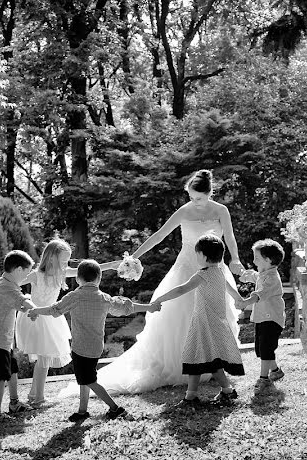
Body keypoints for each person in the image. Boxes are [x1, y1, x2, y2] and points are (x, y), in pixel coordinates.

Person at [69, 169, 246, 395]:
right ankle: (183, 365)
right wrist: (135, 256)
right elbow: (160, 235)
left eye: (199, 198)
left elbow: (229, 237)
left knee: (214, 316)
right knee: (180, 315)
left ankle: (214, 364)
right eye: (191, 198)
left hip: (213, 266)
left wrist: (237, 260)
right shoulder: (184, 211)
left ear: (210, 193)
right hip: (185, 268)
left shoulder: (221, 210)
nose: (195, 202)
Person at [0, 239, 118, 407]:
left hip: (50, 317)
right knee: (44, 358)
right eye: (64, 260)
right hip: (35, 316)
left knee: (45, 358)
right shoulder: (36, 274)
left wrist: (112, 265)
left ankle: (34, 395)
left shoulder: (62, 273)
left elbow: (89, 269)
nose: (66, 264)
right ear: (52, 257)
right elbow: (10, 283)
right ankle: (38, 398)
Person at [28, 259, 160, 421]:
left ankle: (115, 408)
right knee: (85, 379)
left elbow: (54, 309)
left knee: (88, 380)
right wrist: (149, 307)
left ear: (78, 279)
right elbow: (127, 307)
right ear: (99, 279)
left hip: (80, 347)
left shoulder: (74, 296)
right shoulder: (104, 298)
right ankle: (82, 411)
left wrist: (36, 310)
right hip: (96, 346)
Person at [153, 234, 252, 407]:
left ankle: (210, 394)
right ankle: (202, 394)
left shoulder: (202, 275)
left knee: (203, 359)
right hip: (213, 322)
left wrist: (160, 298)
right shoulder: (220, 273)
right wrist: (240, 300)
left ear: (204, 256)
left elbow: (181, 289)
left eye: (197, 254)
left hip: (205, 322)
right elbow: (231, 291)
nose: (196, 257)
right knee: (202, 359)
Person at [0, 250, 36, 421]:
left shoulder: (5, 283)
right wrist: (36, 308)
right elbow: (25, 303)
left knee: (12, 370)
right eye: (26, 273)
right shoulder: (6, 286)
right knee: (1, 376)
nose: (26, 277)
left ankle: (14, 403)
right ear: (18, 270)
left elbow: (20, 305)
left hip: (4, 337)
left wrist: (28, 306)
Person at [238, 239, 287, 386]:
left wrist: (245, 302)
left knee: (266, 348)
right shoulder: (263, 273)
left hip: (272, 319)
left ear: (268, 260)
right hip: (262, 318)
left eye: (257, 258)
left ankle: (264, 378)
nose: (254, 260)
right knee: (261, 349)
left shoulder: (272, 278)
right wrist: (241, 273)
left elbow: (260, 293)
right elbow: (252, 276)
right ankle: (276, 370)